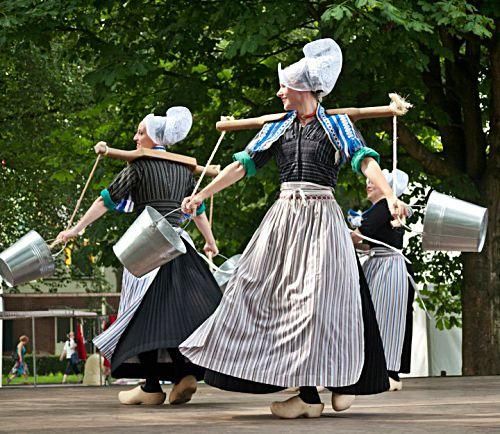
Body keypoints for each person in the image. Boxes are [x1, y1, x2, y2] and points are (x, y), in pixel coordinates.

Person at [180, 38, 407, 419]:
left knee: (319, 299)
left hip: (321, 219)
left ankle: (327, 386)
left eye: (285, 86)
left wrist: (388, 196)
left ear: (302, 89)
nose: (279, 92)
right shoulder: (279, 127)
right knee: (259, 287)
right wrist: (202, 192)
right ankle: (310, 389)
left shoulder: (337, 126)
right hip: (285, 217)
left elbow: (365, 162)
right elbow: (242, 165)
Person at [56, 107, 222, 405]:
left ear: (153, 137)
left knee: (138, 313)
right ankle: (180, 373)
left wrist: (76, 229)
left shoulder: (138, 166)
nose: (135, 137)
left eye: (140, 132)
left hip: (148, 244)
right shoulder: (184, 170)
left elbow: (105, 200)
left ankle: (151, 386)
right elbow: (197, 209)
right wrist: (209, 242)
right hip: (181, 245)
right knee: (172, 313)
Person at [351, 169, 414, 391]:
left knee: (382, 315)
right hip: (381, 263)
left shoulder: (383, 208)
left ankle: (386, 371)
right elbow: (369, 243)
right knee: (384, 315)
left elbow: (357, 236)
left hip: (387, 268)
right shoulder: (384, 209)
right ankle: (387, 371)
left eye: (374, 182)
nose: (369, 183)